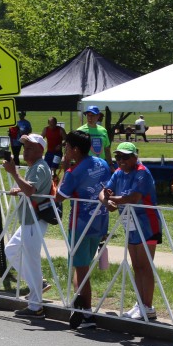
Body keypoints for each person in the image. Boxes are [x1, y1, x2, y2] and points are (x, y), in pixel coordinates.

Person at [55, 130, 111, 329]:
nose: (65, 150)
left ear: (76, 150)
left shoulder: (73, 172)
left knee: (81, 268)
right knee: (82, 266)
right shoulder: (102, 163)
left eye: (67, 147)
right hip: (100, 221)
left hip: (80, 224)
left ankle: (86, 312)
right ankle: (80, 305)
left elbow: (59, 196)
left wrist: (64, 169)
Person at [100, 142, 160, 320]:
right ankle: (140, 303)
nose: (121, 160)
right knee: (136, 266)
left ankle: (148, 306)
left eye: (125, 157)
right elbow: (103, 193)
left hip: (147, 224)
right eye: (118, 157)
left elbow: (133, 197)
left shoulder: (142, 172)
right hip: (130, 224)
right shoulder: (118, 173)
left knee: (145, 265)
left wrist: (113, 199)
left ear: (135, 157)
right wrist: (106, 201)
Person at [2, 133, 53, 319]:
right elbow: (29, 188)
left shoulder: (39, 167)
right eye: (25, 147)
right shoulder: (36, 166)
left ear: (40, 150)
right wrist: (19, 187)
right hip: (29, 219)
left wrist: (14, 173)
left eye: (30, 147)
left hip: (34, 219)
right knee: (11, 250)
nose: (25, 150)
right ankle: (37, 284)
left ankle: (35, 306)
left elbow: (30, 190)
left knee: (32, 260)